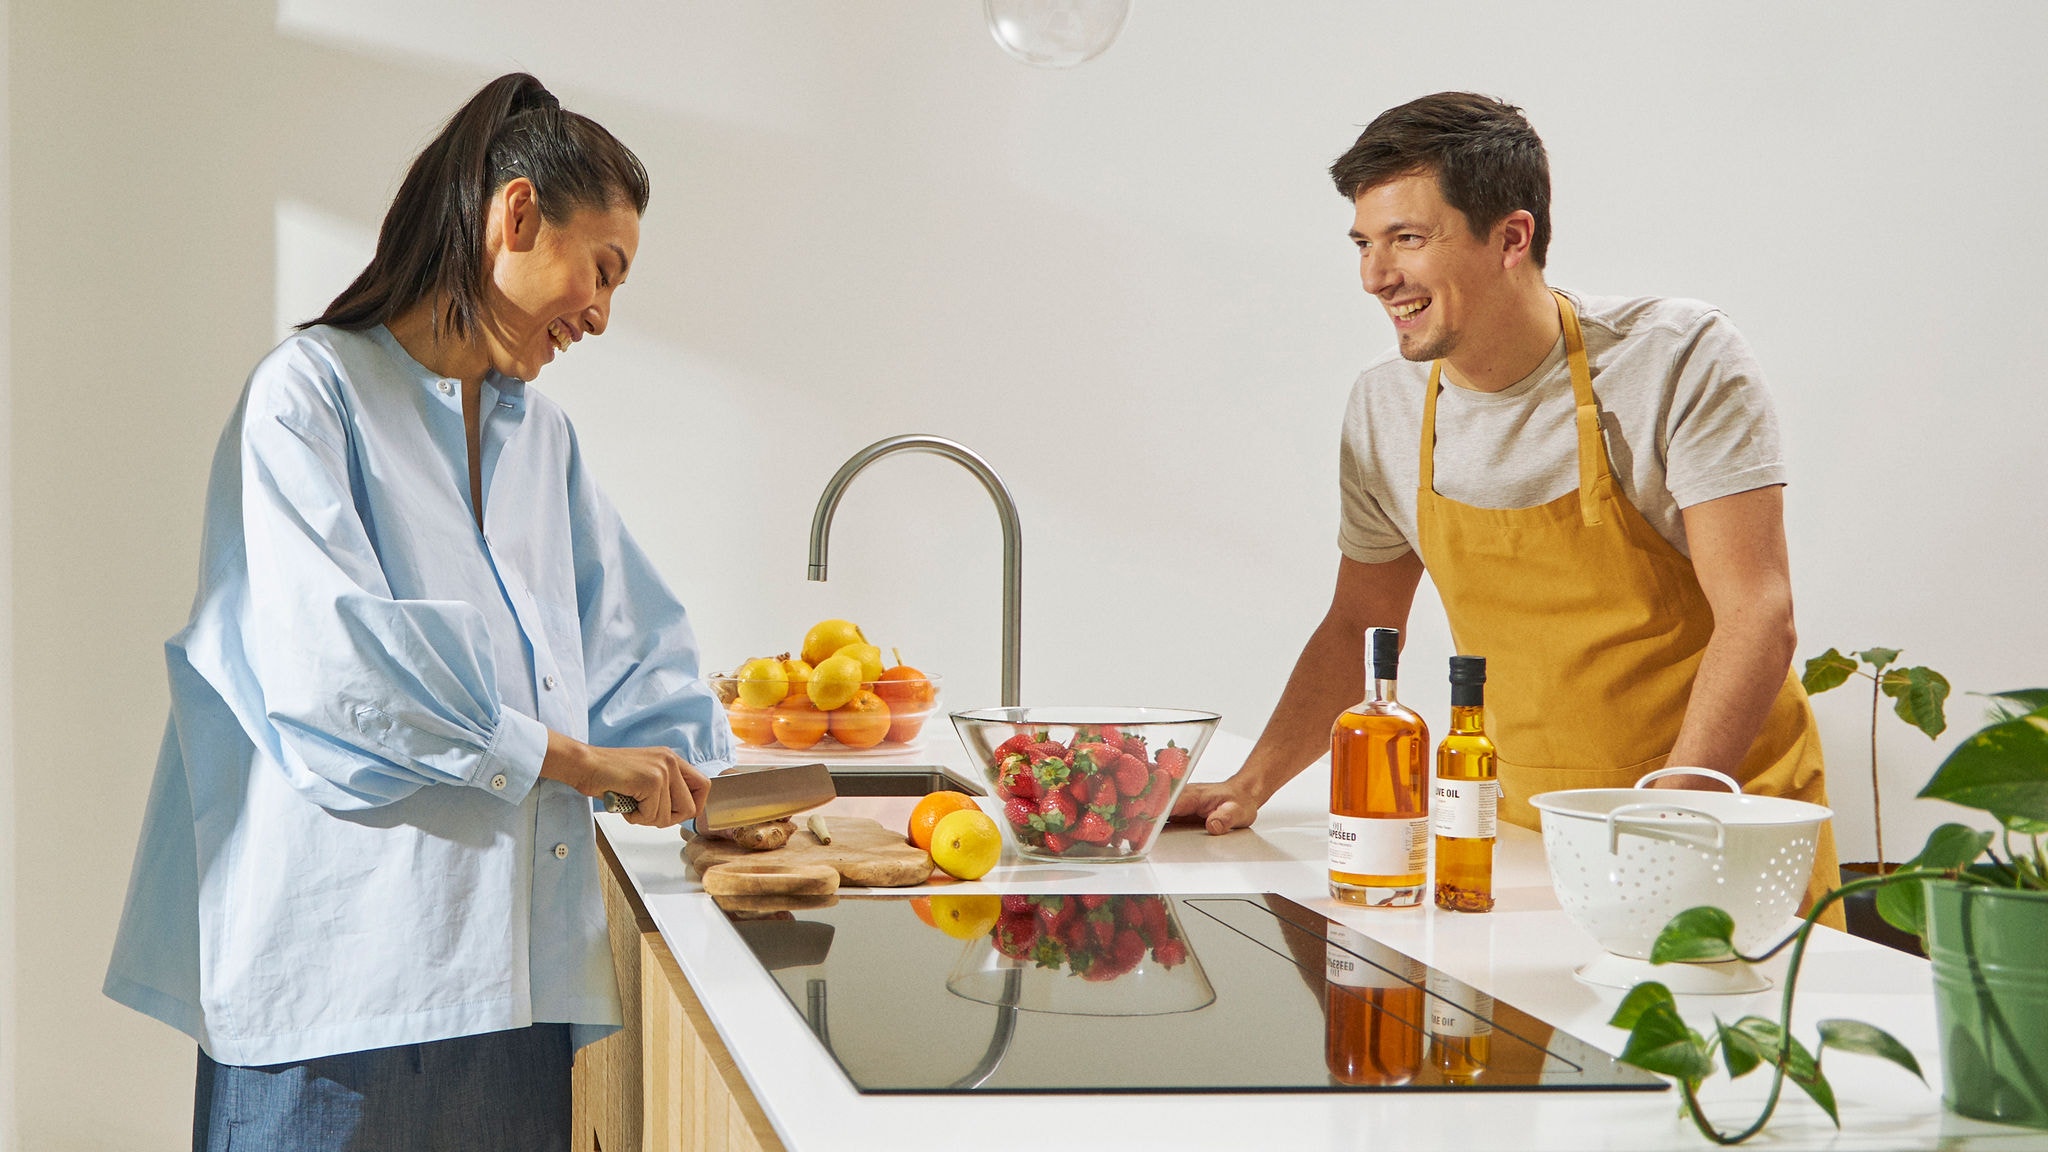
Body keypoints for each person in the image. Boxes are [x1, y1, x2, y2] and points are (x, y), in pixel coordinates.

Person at [103, 73, 725, 1151]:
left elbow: (632, 660)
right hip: (337, 994)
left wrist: (722, 782)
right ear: (517, 214)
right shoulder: (310, 395)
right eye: (601, 271)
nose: (601, 315)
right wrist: (573, 762)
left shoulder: (545, 445)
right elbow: (334, 672)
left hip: (514, 995)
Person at [1172, 91, 1843, 922]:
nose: (1376, 276)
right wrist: (1252, 781)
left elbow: (1758, 612)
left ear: (1511, 238)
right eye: (1364, 243)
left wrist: (1669, 813)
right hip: (1526, 837)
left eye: (1408, 239)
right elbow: (1359, 624)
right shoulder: (1383, 409)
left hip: (1716, 818)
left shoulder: (1676, 359)